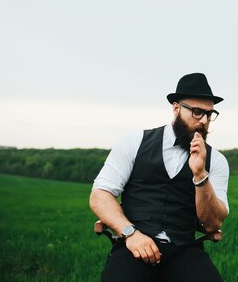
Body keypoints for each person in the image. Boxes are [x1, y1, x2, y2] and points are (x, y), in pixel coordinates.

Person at [90, 73, 230, 282]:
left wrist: (200, 175)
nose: (203, 121)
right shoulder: (134, 142)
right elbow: (100, 195)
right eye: (197, 112)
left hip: (183, 250)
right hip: (133, 244)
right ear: (176, 108)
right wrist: (130, 233)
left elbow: (211, 224)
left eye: (210, 114)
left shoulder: (216, 161)